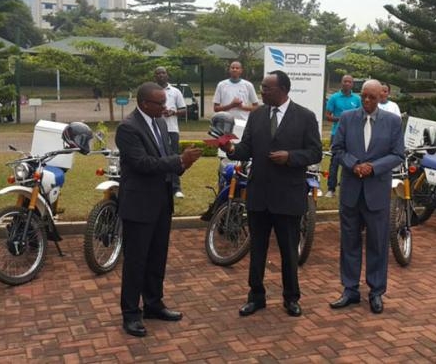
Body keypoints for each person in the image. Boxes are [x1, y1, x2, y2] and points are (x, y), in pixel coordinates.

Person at [220, 70, 322, 318]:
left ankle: (291, 298)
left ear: (283, 90)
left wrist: (291, 157)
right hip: (259, 195)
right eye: (263, 87)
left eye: (267, 88)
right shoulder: (256, 116)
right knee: (258, 249)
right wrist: (231, 148)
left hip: (288, 196)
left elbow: (315, 152)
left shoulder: (305, 117)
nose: (262, 91)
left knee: (289, 251)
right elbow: (246, 148)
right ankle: (256, 296)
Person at [115, 82, 203, 337]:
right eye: (160, 103)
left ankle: (153, 304)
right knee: (136, 262)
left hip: (161, 202)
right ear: (145, 104)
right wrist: (178, 161)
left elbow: (164, 159)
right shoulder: (128, 128)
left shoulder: (161, 123)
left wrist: (182, 164)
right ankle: (130, 314)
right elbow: (142, 163)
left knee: (157, 258)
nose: (166, 107)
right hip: (139, 205)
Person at [329, 80, 404, 315]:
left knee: (378, 244)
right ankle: (350, 289)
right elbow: (337, 148)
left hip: (376, 192)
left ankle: (376, 292)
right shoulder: (348, 118)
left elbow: (398, 154)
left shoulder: (392, 122)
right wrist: (355, 165)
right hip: (351, 191)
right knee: (349, 242)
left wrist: (373, 167)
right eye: (364, 96)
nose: (367, 101)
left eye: (372, 97)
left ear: (381, 97)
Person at [324, 74, 362, 197]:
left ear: (352, 84)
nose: (347, 84)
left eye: (349, 82)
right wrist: (341, 119)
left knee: (351, 161)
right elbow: (327, 116)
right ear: (341, 83)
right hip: (337, 134)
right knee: (334, 161)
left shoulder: (357, 99)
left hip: (352, 135)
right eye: (345, 81)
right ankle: (331, 189)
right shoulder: (334, 98)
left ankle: (347, 188)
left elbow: (361, 115)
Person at [154, 66, 187, 198]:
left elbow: (184, 110)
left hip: (172, 129)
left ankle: (176, 188)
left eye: (163, 73)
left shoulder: (175, 91)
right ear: (154, 76)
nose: (161, 75)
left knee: (174, 157)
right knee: (157, 157)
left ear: (167, 75)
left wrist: (173, 112)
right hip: (155, 129)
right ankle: (158, 185)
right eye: (158, 73)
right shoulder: (152, 91)